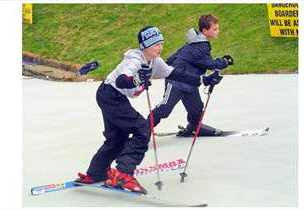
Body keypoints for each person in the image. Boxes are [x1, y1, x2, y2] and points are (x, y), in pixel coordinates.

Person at [74, 26, 215, 194]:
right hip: (111, 95)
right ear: (145, 46)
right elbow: (121, 81)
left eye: (161, 43)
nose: (160, 48)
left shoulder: (155, 61)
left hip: (111, 96)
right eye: (156, 44)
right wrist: (134, 79)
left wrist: (203, 79)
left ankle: (96, 173)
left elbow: (176, 75)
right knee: (143, 128)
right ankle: (123, 174)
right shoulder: (135, 60)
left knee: (116, 139)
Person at [150, 14, 234, 136]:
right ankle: (142, 129)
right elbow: (209, 63)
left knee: (196, 108)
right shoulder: (200, 46)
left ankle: (194, 126)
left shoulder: (195, 42)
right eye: (215, 29)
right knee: (165, 108)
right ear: (205, 30)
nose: (218, 31)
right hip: (177, 81)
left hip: (189, 81)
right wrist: (225, 62)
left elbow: (175, 57)